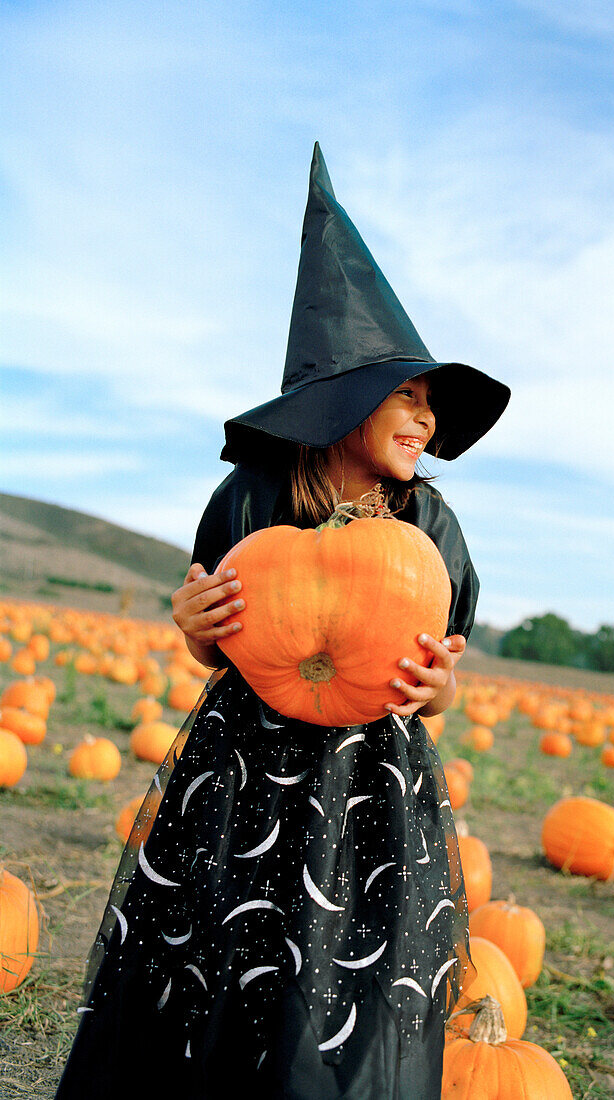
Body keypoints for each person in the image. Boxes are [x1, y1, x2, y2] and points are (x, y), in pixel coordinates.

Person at [55, 145, 509, 1100]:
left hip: (366, 781)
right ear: (341, 395)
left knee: (343, 969)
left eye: (431, 404)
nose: (426, 420)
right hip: (245, 771)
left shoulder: (430, 523)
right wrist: (191, 623)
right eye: (409, 394)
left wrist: (442, 688)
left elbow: (440, 674)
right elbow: (214, 645)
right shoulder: (253, 496)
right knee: (225, 954)